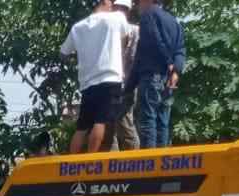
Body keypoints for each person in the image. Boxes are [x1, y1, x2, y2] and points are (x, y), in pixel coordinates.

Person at [61, 0, 130, 155]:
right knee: (101, 121)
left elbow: (63, 53)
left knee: (82, 127)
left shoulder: (78, 27)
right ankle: (90, 159)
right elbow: (126, 35)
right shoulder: (116, 18)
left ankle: (71, 162)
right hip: (109, 78)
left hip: (87, 83)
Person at [130, 0, 186, 149]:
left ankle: (149, 165)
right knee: (163, 122)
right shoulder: (174, 21)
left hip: (152, 75)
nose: (136, 5)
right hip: (169, 80)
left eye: (138, 1)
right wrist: (175, 72)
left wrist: (129, 85)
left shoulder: (148, 16)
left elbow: (152, 43)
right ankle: (162, 164)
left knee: (148, 121)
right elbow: (180, 50)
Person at [105, 0, 141, 151]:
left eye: (122, 9)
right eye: (117, 8)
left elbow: (134, 58)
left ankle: (135, 163)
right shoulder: (106, 30)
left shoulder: (135, 30)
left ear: (128, 11)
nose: (119, 11)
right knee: (108, 127)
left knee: (124, 125)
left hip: (126, 83)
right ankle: (112, 166)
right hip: (108, 83)